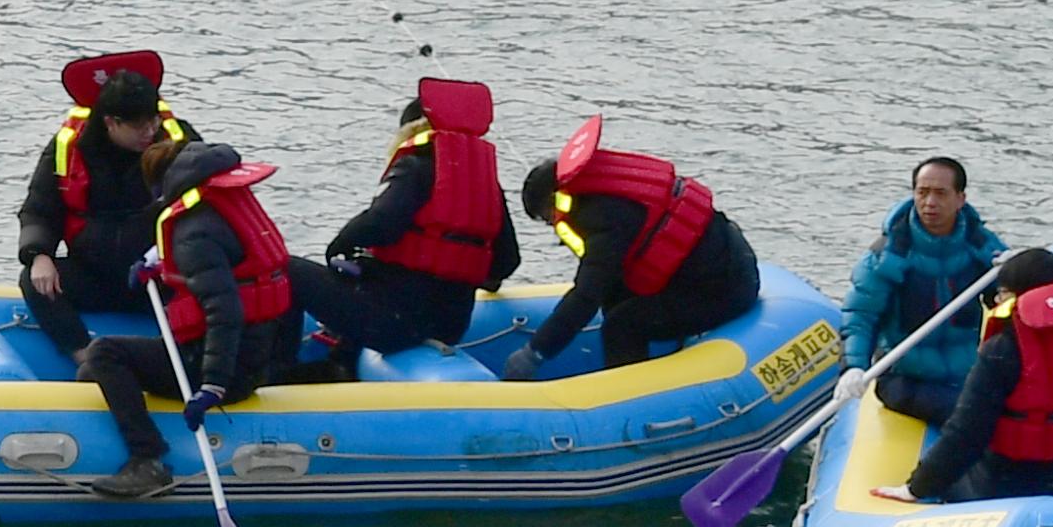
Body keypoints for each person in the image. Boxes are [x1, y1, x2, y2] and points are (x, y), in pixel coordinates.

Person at [75, 126, 303, 500]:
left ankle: (148, 459)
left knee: (103, 352)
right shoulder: (220, 208)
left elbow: (224, 309)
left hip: (225, 371)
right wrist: (155, 260)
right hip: (255, 354)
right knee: (89, 372)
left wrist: (212, 385)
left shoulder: (192, 232)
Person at [497, 122, 762, 380]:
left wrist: (535, 352)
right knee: (616, 296)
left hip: (726, 287)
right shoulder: (604, 192)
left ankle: (629, 401)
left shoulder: (601, 220)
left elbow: (586, 296)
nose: (554, 226)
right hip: (721, 262)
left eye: (548, 218)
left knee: (622, 326)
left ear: (555, 201)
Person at [875, 247, 1053, 504]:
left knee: (961, 472)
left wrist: (916, 488)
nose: (997, 301)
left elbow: (966, 433)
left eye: (1003, 293)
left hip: (1013, 484)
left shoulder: (1003, 349)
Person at [290, 76, 521, 360]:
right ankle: (340, 363)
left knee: (286, 269)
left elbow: (379, 224)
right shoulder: (487, 186)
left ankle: (278, 370)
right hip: (451, 325)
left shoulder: (414, 167)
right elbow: (508, 260)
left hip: (393, 322)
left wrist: (338, 246)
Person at [14, 52, 192, 358]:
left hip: (161, 273)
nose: (149, 133)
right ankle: (83, 354)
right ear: (111, 122)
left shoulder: (175, 142)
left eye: (152, 122)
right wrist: (38, 253)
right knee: (34, 280)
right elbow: (39, 207)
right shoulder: (69, 148)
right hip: (97, 272)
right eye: (138, 127)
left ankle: (192, 350)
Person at [838, 156, 1007, 422]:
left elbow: (1009, 300)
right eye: (922, 192)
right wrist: (853, 367)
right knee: (973, 415)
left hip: (967, 374)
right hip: (904, 378)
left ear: (960, 199)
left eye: (940, 194)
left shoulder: (982, 247)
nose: (930, 203)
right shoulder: (887, 256)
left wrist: (1016, 278)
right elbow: (860, 317)